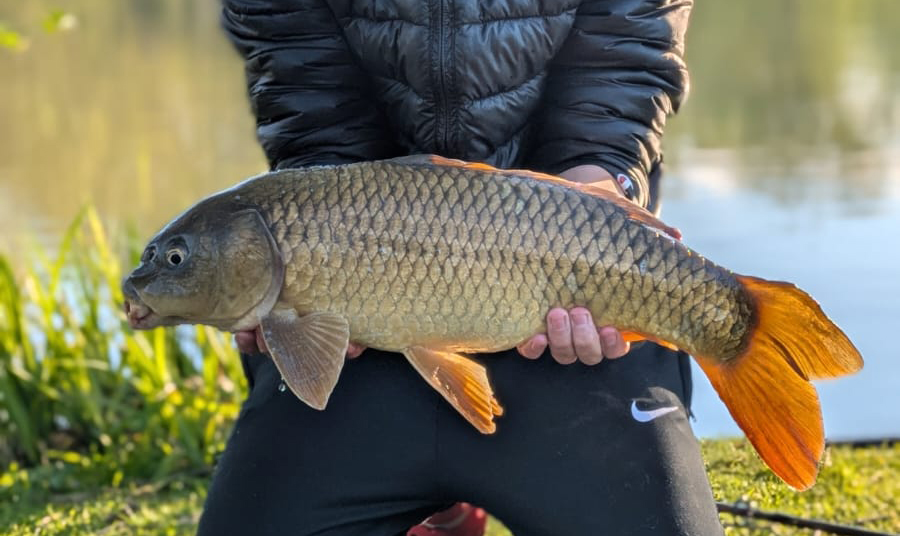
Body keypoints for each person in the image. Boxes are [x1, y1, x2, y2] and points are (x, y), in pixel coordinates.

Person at [197, 0, 724, 534]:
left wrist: (597, 181)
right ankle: (440, 505)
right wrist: (321, 266)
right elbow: (307, 94)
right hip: (369, 331)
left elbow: (625, 56)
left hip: (560, 285)